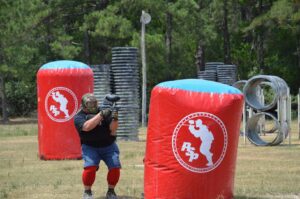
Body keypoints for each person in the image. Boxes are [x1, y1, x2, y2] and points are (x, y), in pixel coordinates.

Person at [74, 93, 121, 199]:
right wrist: (100, 115)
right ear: (84, 105)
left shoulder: (104, 111)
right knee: (90, 168)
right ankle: (87, 192)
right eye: (90, 103)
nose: (93, 105)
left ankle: (111, 191)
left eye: (94, 103)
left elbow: (113, 129)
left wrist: (115, 118)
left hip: (108, 145)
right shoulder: (79, 116)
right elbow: (86, 127)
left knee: (115, 167)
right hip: (90, 146)